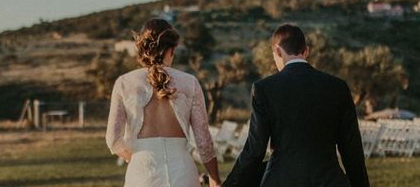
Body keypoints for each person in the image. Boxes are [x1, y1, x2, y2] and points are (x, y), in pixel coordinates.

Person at [224, 24, 370, 187]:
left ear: (278, 51)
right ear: (306, 51)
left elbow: (254, 150)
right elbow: (352, 150)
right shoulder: (338, 87)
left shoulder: (265, 89)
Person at [106, 18, 222, 187]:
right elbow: (204, 142)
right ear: (172, 49)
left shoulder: (124, 83)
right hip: (183, 176)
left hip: (142, 175)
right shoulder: (189, 83)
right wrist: (215, 179)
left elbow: (112, 139)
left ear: (141, 49)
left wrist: (134, 156)